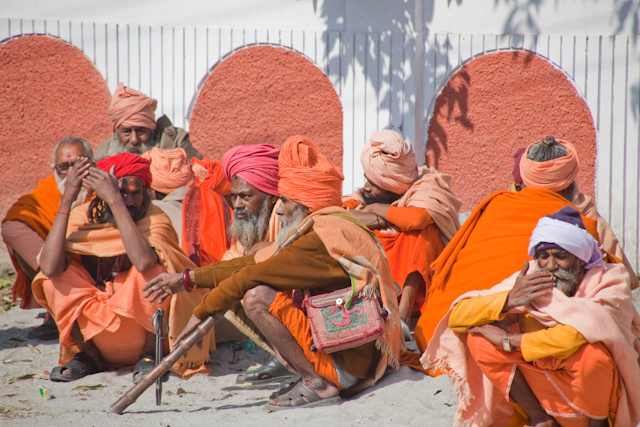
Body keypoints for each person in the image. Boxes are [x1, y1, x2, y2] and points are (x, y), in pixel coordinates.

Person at [143, 135, 403, 409]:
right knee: (258, 275)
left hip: (347, 366)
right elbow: (252, 264)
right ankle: (313, 374)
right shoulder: (332, 225)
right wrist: (188, 279)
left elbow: (251, 275)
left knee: (256, 296)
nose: (281, 212)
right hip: (354, 353)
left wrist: (199, 313)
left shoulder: (319, 240)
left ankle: (317, 383)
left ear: (304, 204)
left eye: (287, 202)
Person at [423, 206, 640, 427]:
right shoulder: (533, 278)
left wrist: (509, 341)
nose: (551, 266)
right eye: (543, 256)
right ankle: (541, 420)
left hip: (597, 393)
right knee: (479, 340)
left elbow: (575, 336)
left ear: (580, 258)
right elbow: (457, 317)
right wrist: (509, 300)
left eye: (561, 257)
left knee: (593, 354)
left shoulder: (610, 282)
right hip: (548, 385)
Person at [413, 136, 622, 355]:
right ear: (571, 185)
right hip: (479, 337)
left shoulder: (496, 204)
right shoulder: (580, 228)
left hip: (430, 332)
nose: (550, 264)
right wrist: (510, 305)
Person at [31, 153, 196, 382]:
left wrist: (115, 201)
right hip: (97, 334)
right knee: (50, 280)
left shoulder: (154, 217)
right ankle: (89, 356)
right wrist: (67, 200)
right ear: (99, 194)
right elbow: (49, 268)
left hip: (143, 329)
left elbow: (144, 262)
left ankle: (150, 355)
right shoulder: (83, 216)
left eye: (135, 193)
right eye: (121, 191)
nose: (129, 200)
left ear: (145, 193)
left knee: (153, 272)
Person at [343, 130, 462, 332]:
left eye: (374, 183)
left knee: (424, 231)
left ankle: (403, 315)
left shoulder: (426, 185)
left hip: (422, 282)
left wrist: (375, 210)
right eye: (367, 179)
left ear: (393, 186)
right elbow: (341, 215)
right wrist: (387, 219)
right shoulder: (366, 195)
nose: (367, 188)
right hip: (379, 270)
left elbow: (417, 218)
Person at [510, 136, 638, 289]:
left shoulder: (499, 210)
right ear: (568, 186)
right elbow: (623, 278)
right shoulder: (587, 220)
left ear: (524, 184)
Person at [2, 136, 93, 339]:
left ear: (91, 164)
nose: (70, 174)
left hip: (95, 268)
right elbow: (15, 222)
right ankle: (57, 308)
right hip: (58, 267)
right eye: (64, 166)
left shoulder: (100, 191)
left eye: (77, 165)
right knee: (13, 228)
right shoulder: (45, 193)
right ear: (54, 168)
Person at [93, 83, 202, 160]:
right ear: (117, 132)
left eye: (141, 131)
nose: (134, 140)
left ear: (152, 129)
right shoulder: (105, 151)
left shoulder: (177, 142)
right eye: (126, 131)